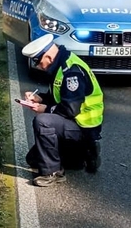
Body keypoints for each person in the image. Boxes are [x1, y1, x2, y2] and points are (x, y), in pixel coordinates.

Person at [21, 34, 104, 187]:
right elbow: (61, 98)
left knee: (43, 121)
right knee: (33, 160)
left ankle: (53, 173)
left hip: (83, 127)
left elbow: (70, 109)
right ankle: (84, 154)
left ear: (49, 57)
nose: (38, 65)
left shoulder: (71, 72)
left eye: (38, 61)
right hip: (73, 125)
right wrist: (41, 99)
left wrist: (44, 108)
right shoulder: (62, 64)